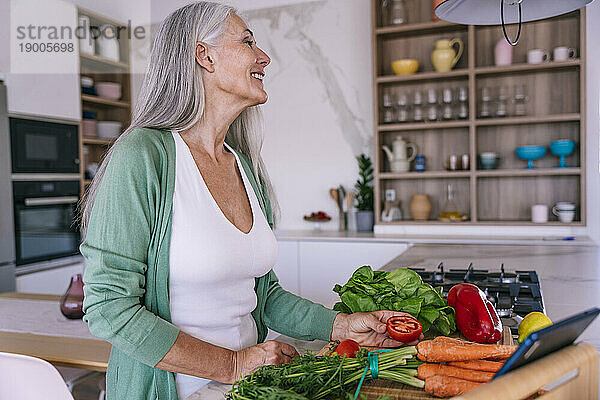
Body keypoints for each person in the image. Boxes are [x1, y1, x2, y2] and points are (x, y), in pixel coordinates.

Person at [79, 3, 419, 399]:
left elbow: (263, 296)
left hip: (249, 389)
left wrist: (342, 326)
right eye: (247, 42)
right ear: (203, 55)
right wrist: (232, 365)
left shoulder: (244, 166)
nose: (264, 57)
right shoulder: (143, 155)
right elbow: (109, 309)